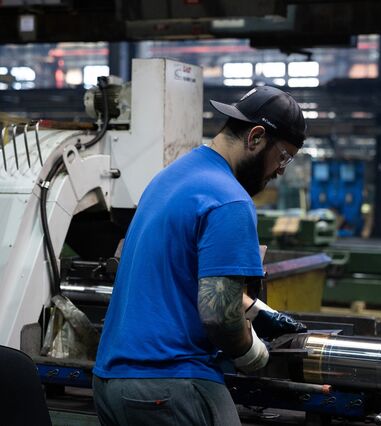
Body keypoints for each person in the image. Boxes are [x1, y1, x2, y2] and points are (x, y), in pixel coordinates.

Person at [92, 86, 308, 425]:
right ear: (256, 137)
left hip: (110, 381)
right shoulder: (230, 200)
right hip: (169, 383)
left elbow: (182, 275)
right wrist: (253, 353)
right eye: (283, 157)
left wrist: (256, 309)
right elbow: (218, 316)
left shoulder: (171, 177)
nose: (280, 171)